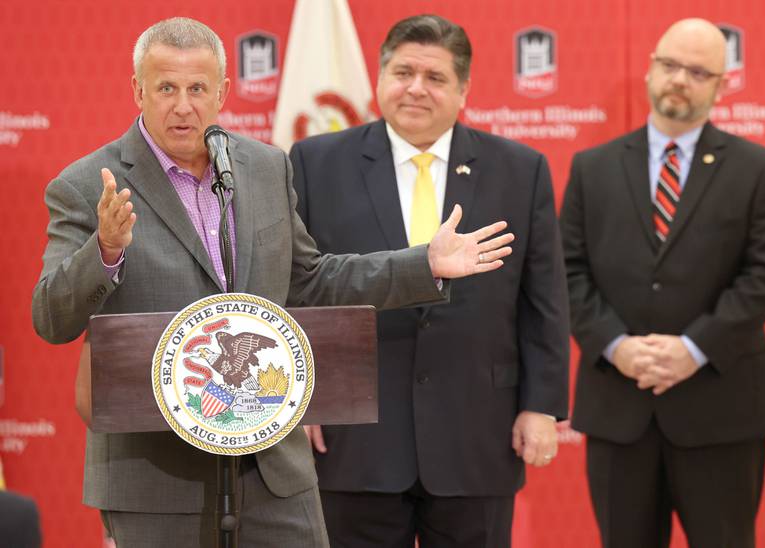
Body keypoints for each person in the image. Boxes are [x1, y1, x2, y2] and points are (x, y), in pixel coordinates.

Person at [31, 17, 514, 548]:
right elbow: (52, 319)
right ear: (138, 89)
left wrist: (423, 265)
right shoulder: (86, 184)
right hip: (155, 478)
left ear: (223, 93)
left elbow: (309, 280)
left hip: (273, 472)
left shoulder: (263, 168)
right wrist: (102, 251)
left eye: (198, 89)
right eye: (166, 88)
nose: (183, 105)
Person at [291, 14, 570, 548]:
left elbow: (544, 299)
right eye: (403, 72)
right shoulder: (315, 161)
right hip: (354, 439)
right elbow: (298, 287)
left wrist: (542, 405)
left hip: (479, 435)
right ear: (379, 79)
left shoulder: (520, 168)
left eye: (435, 77)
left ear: (463, 89)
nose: (416, 88)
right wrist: (303, 399)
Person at [560, 18, 765, 548]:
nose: (679, 79)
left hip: (721, 409)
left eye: (697, 70)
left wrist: (694, 348)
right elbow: (566, 271)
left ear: (721, 83)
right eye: (669, 65)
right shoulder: (591, 168)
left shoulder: (758, 169)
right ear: (649, 71)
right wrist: (616, 347)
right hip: (619, 407)